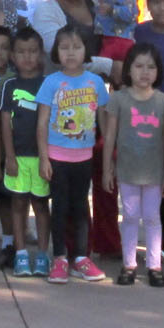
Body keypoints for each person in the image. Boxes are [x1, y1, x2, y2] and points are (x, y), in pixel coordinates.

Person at [31, 0, 120, 257]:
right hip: (66, 108)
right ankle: (69, 249)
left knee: (107, 178)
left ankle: (108, 244)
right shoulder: (46, 12)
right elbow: (61, 52)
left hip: (102, 102)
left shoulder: (100, 4)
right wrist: (110, 66)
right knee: (69, 190)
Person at [35, 25, 109, 285]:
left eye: (76, 47)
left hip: (84, 157)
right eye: (64, 47)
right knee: (60, 208)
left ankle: (80, 258)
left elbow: (104, 121)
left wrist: (108, 158)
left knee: (80, 208)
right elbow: (42, 122)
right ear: (56, 51)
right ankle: (59, 258)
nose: (70, 52)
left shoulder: (96, 82)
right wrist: (44, 157)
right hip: (57, 157)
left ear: (86, 51)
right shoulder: (51, 82)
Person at [102, 43, 164, 287]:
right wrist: (107, 168)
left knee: (153, 217)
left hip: (154, 171)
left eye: (151, 67)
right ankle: (129, 263)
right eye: (139, 66)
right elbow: (109, 136)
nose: (145, 72)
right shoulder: (119, 99)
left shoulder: (163, 102)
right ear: (128, 70)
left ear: (158, 71)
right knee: (130, 216)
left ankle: (154, 265)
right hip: (127, 170)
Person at [0, 27, 51, 278]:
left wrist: (47, 158)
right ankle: (20, 254)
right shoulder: (9, 85)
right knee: (17, 204)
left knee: (41, 205)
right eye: (21, 52)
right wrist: (8, 156)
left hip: (42, 157)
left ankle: (42, 255)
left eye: (32, 52)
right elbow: (5, 123)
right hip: (17, 156)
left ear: (41, 54)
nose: (27, 57)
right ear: (12, 56)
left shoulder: (48, 83)